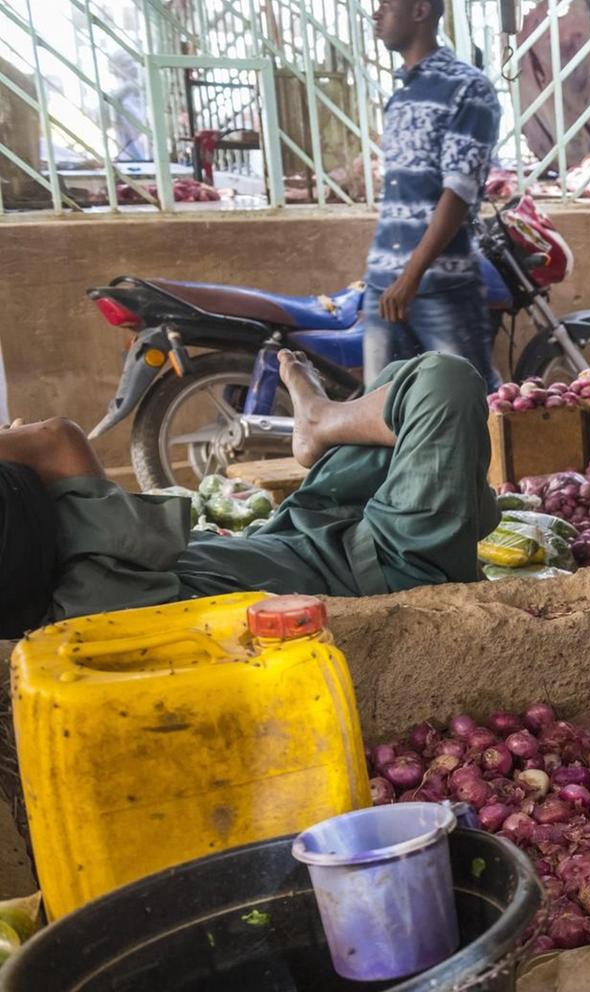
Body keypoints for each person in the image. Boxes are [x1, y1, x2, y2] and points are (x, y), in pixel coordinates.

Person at [0, 351, 497, 637]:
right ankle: (321, 421)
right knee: (442, 383)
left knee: (395, 385)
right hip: (387, 570)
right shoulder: (96, 586)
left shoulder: (85, 558)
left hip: (301, 529)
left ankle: (331, 430)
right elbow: (56, 439)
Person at [364, 0, 503, 387]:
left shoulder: (468, 88)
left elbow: (458, 193)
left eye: (387, 6)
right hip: (383, 288)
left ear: (420, 11)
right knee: (383, 420)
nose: (376, 14)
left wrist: (410, 278)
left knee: (470, 412)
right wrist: (383, 281)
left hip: (441, 290)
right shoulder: (401, 95)